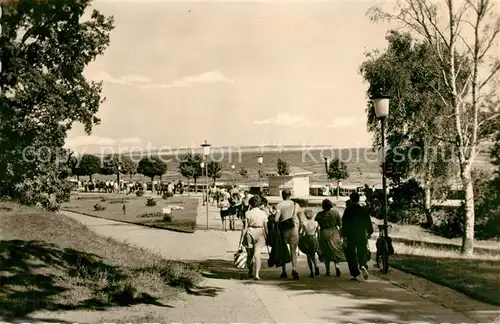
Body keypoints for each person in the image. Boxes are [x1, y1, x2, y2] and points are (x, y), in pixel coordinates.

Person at [342, 192, 373, 281]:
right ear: (358, 200)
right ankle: (363, 265)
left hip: (350, 234)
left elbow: (344, 223)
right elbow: (368, 221)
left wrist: (344, 235)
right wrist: (369, 232)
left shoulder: (348, 210)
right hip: (361, 233)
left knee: (351, 253)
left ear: (351, 199)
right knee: (362, 250)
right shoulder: (363, 210)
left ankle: (354, 274)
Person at [238, 195, 268, 280]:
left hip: (250, 233)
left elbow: (245, 227)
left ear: (251, 203)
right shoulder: (263, 213)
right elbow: (266, 227)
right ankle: (257, 274)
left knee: (249, 255)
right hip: (260, 233)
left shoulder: (247, 213)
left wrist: (240, 240)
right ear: (259, 204)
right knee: (257, 254)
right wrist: (268, 236)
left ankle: (250, 271)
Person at [274, 189, 301, 280]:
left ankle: (284, 271)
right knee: (293, 251)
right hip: (294, 228)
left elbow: (276, 219)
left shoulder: (279, 205)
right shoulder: (295, 204)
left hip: (283, 229)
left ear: (282, 195)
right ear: (290, 195)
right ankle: (294, 269)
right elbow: (300, 218)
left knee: (283, 251)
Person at [315, 199, 344, 277]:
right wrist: (341, 235)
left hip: (324, 232)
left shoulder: (319, 214)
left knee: (326, 252)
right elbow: (340, 225)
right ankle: (337, 266)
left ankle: (328, 271)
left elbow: (316, 225)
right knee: (335, 250)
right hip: (334, 232)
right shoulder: (336, 213)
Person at [299, 209, 320, 278]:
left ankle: (311, 272)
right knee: (313, 254)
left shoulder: (304, 223)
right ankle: (316, 266)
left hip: (307, 239)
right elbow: (318, 233)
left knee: (308, 256)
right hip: (314, 238)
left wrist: (300, 237)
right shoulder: (316, 223)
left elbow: (302, 233)